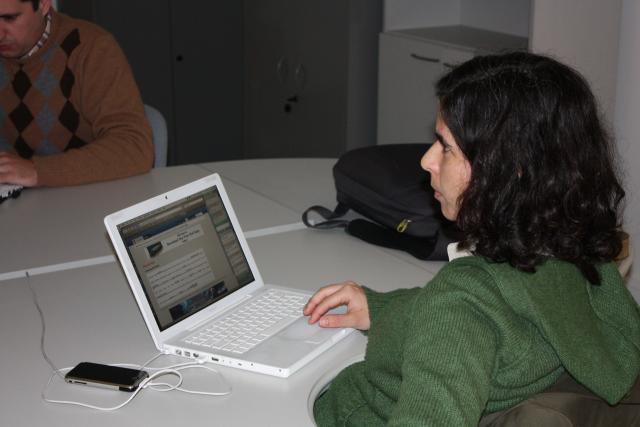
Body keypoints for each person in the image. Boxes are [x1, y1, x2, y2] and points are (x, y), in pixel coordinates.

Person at [304, 52, 640, 426]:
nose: (427, 160)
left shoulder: (459, 304)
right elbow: (494, 312)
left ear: (508, 168)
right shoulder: (578, 254)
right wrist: (381, 308)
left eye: (446, 146)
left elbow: (462, 314)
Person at [0, 0, 153, 187]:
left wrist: (36, 171)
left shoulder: (91, 48)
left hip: (91, 193)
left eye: (9, 18)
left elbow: (134, 146)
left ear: (43, 4)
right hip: (17, 198)